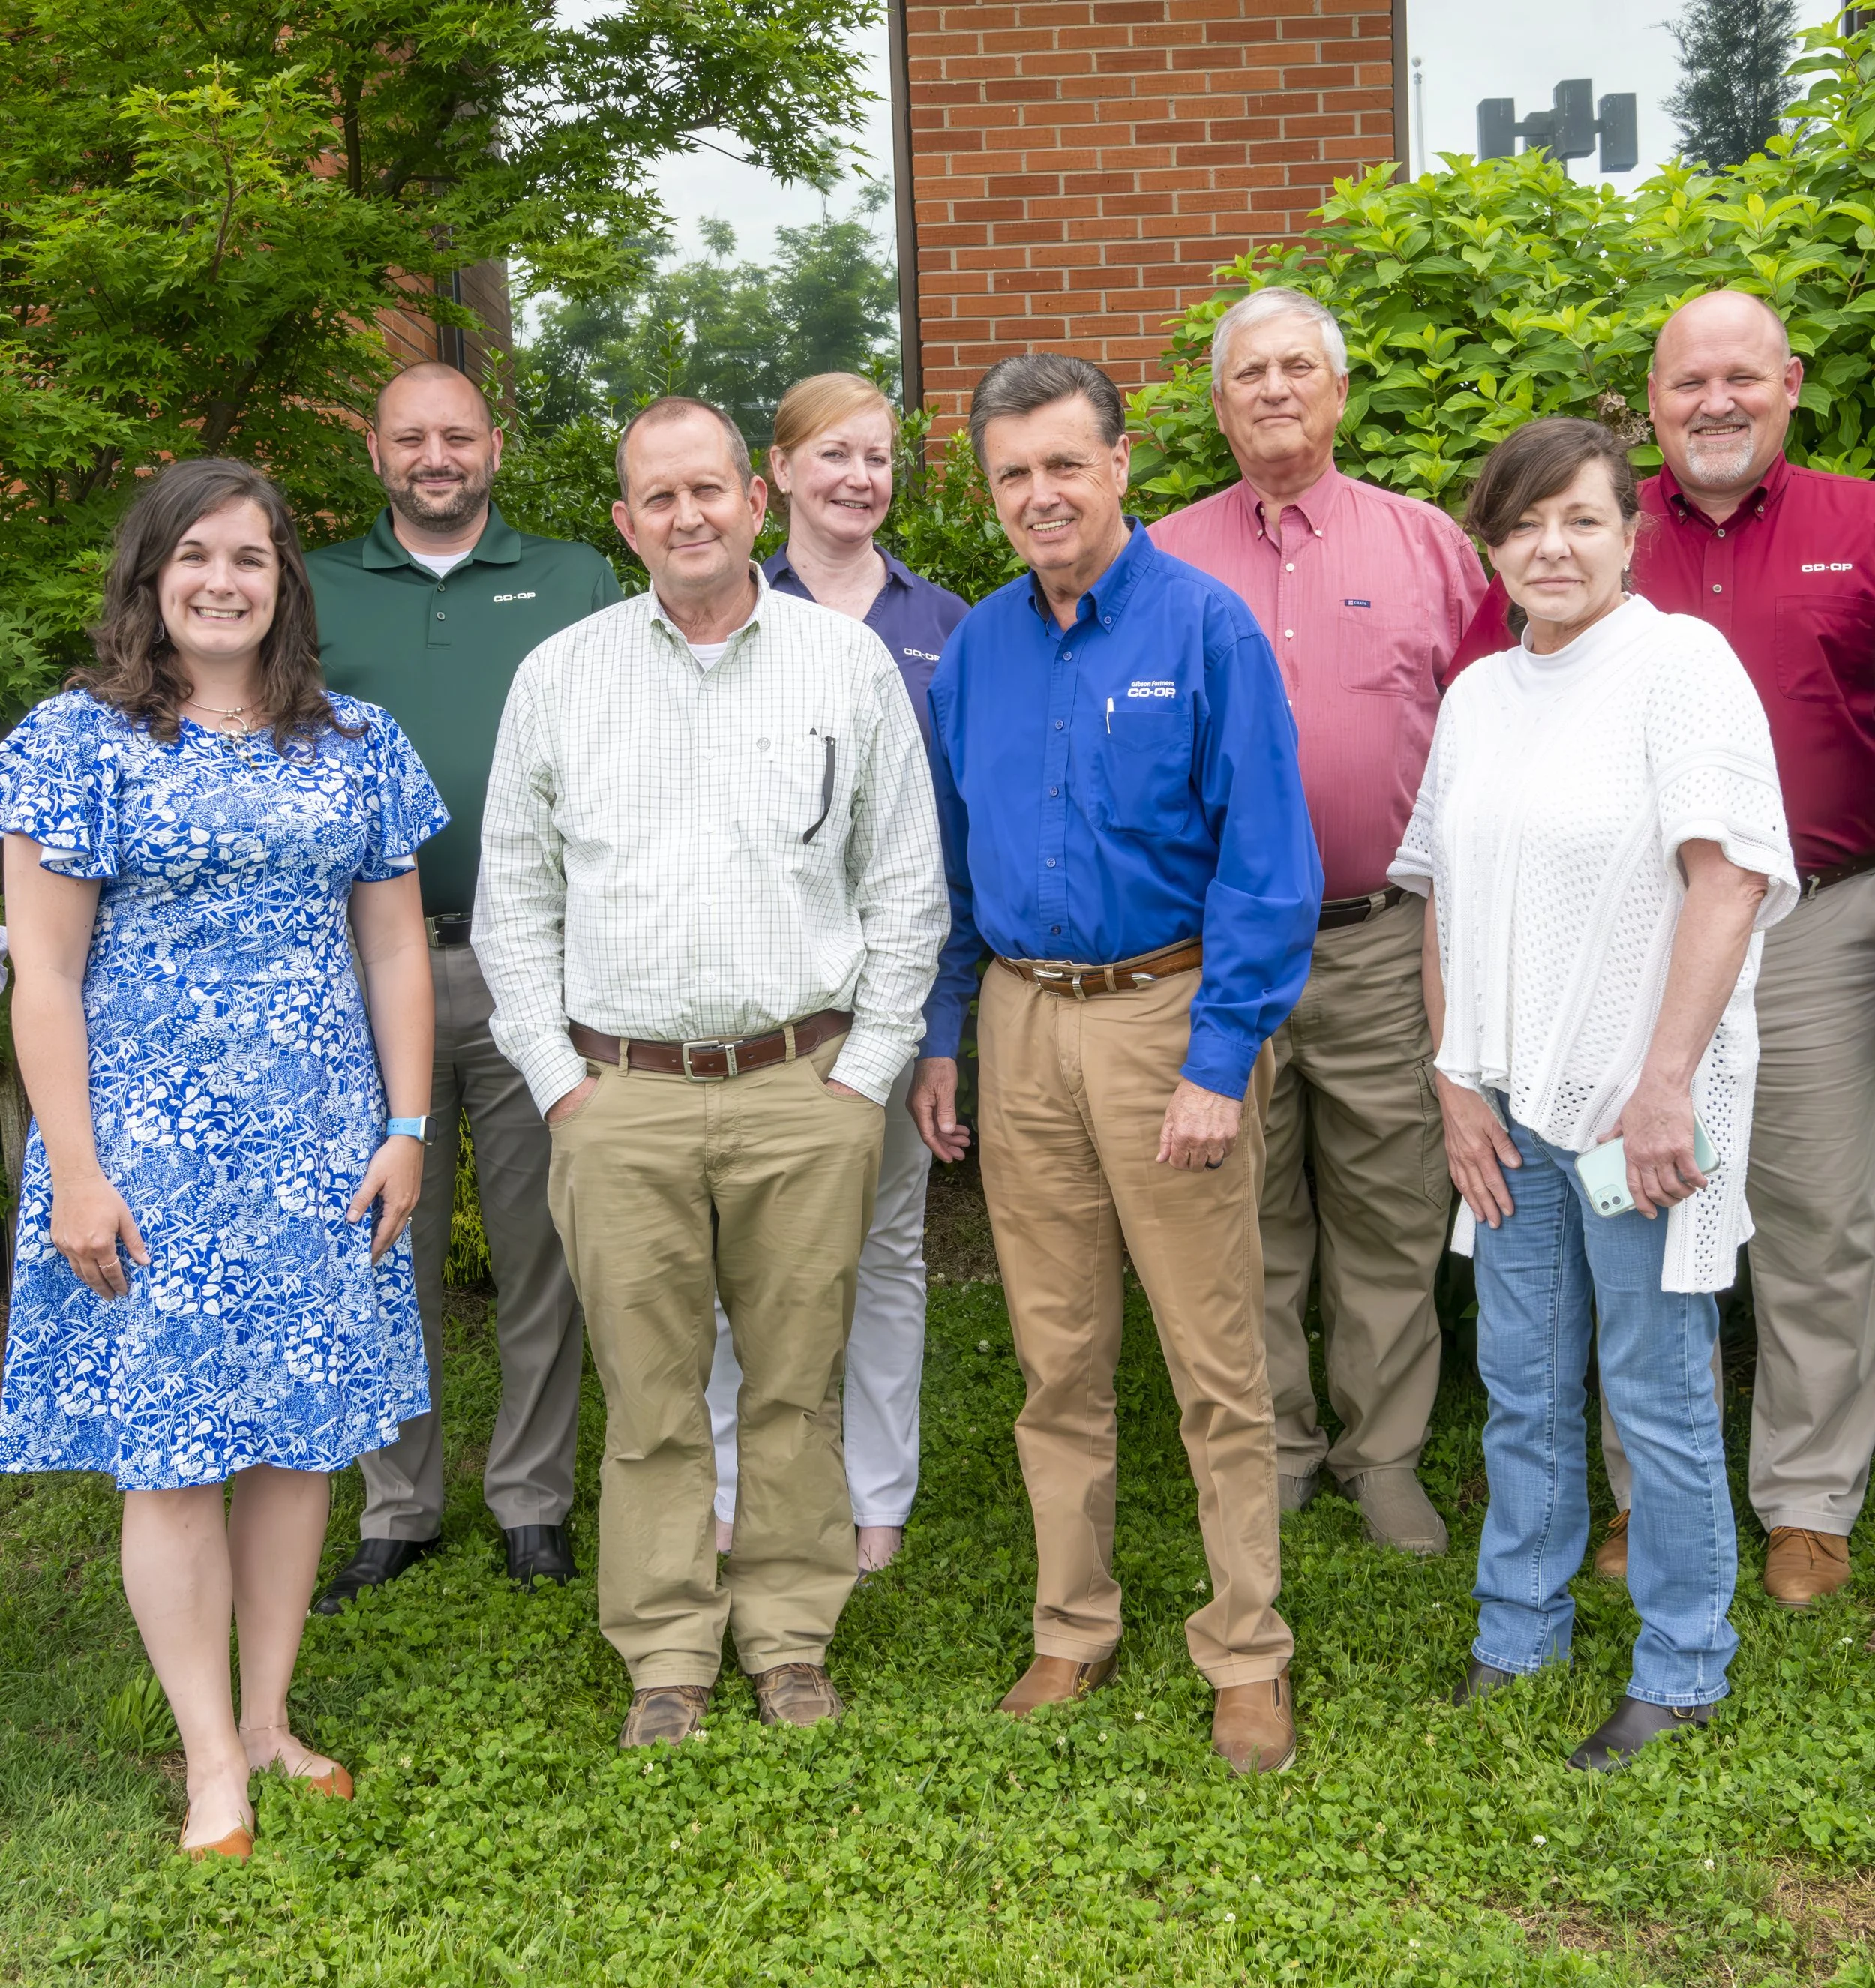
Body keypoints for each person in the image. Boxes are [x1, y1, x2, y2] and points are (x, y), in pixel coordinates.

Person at [474, 395, 946, 1747]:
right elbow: (513, 903)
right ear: (626, 526)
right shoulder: (560, 675)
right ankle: (669, 1649)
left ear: (755, 498)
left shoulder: (842, 666)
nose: (688, 516)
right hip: (619, 1094)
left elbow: (907, 884)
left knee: (796, 1378)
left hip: (806, 1085)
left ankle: (790, 1632)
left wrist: (864, 1074)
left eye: (709, 490)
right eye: (657, 499)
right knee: (652, 1389)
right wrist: (562, 1083)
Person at [0, 458, 446, 1855]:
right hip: (145, 1154)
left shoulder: (354, 739)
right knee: (175, 1455)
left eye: (251, 558)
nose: (222, 580)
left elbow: (393, 943)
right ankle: (210, 1759)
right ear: (149, 575)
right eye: (195, 554)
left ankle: (270, 1717)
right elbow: (46, 976)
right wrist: (74, 1166)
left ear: (283, 585)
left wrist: (408, 1126)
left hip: (320, 1148)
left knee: (300, 1443)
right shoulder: (73, 742)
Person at [910, 355, 1322, 1775]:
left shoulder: (1206, 630)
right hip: (1024, 1020)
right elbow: (956, 871)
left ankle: (1247, 1647)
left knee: (1218, 1356)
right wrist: (949, 1032)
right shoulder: (978, 652)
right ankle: (1073, 1621)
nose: (1041, 495)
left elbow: (1270, 866)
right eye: (1014, 472)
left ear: (1122, 465)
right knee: (1056, 1352)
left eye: (1065, 465)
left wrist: (1222, 1058)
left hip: (1167, 1017)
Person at [1452, 292, 1875, 1607]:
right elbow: (1493, 748)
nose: (1718, 402)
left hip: (1815, 917)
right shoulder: (1595, 527)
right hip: (1610, 950)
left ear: (1791, 383)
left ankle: (1808, 1499)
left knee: (1815, 1220)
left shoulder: (1858, 525)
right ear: (1653, 395)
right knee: (1632, 1220)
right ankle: (1647, 1498)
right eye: (1690, 381)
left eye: (1743, 377)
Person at [1397, 417, 1796, 1769]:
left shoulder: (1680, 665)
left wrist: (1668, 1085)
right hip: (1505, 1104)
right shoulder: (1478, 696)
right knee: (1519, 1380)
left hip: (1639, 1109)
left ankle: (1682, 1662)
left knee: (1656, 1388)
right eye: (1522, 523)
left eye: (1580, 518)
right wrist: (1455, 1079)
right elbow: (1444, 895)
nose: (1550, 546)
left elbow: (1730, 877)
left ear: (1632, 531)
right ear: (1493, 546)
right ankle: (1520, 1629)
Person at [1150, 288, 1486, 1555]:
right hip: (1215, 953)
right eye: (1250, 373)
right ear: (1220, 403)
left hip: (1380, 936)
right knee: (1245, 1210)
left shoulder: (1427, 548)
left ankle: (1384, 1449)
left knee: (1391, 1204)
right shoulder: (1163, 558)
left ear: (1341, 394)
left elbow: (1487, 727)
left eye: (1300, 367)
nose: (1276, 388)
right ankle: (1279, 1442)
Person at [306, 361, 624, 1611]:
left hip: (535, 962)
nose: (435, 456)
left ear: (495, 443)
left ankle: (533, 1497)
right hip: (364, 966)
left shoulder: (576, 578)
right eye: (410, 438)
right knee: (386, 1237)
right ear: (374, 448)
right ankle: (398, 1502)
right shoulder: (317, 587)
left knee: (540, 1237)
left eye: (457, 435)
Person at [704, 373, 969, 1575]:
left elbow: (960, 833)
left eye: (879, 457)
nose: (860, 477)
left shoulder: (948, 623)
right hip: (758, 1000)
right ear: (780, 475)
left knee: (888, 1248)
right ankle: (733, 1491)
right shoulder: (722, 612)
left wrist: (943, 1027)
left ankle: (877, 1500)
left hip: (899, 995)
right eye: (834, 456)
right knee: (732, 1258)